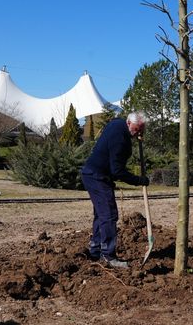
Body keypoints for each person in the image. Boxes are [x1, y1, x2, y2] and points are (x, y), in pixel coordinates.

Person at [80, 112, 149, 269]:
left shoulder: (117, 124)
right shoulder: (120, 139)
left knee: (101, 215)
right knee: (109, 215)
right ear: (129, 123)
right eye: (137, 129)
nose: (138, 133)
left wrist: (136, 135)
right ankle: (108, 256)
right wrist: (139, 180)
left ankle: (95, 251)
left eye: (141, 131)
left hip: (94, 174)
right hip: (97, 176)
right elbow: (117, 171)